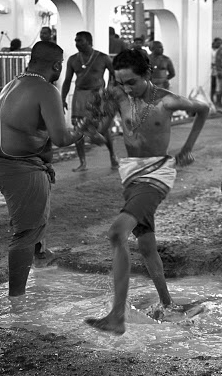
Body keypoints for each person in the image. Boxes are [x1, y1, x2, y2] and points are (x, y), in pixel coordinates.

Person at [84, 48, 209, 334]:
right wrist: (92, 133)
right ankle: (168, 305)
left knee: (117, 232)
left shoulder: (166, 101)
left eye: (132, 83)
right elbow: (103, 132)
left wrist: (187, 148)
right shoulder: (118, 96)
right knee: (146, 246)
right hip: (131, 175)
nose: (126, 89)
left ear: (148, 75)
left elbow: (204, 110)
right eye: (120, 82)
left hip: (157, 175)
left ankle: (116, 317)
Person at [0, 41, 84, 296]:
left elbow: (41, 135)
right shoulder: (46, 90)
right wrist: (85, 131)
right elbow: (60, 138)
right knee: (26, 232)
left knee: (33, 215)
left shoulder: (11, 84)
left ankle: (39, 257)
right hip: (15, 166)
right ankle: (17, 299)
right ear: (57, 65)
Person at [61, 31, 119, 172]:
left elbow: (115, 75)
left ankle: (113, 156)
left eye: (80, 40)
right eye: (75, 40)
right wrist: (62, 98)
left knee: (101, 129)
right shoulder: (73, 59)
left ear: (89, 41)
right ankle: (83, 162)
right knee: (78, 129)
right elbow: (67, 80)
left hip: (97, 95)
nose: (76, 43)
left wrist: (110, 91)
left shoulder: (103, 58)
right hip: (79, 95)